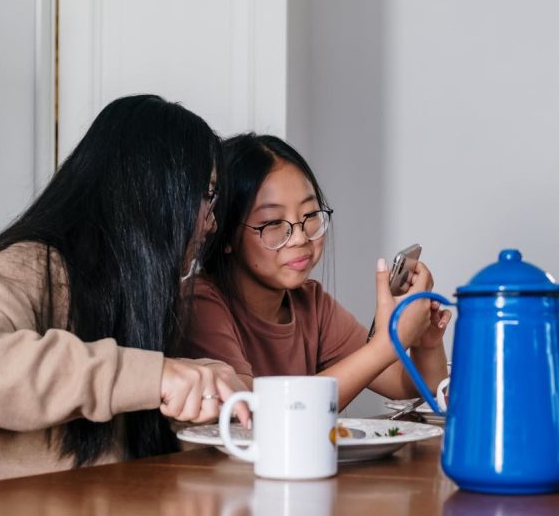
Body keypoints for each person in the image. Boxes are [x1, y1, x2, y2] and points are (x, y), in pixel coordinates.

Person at [0, 95, 249, 489]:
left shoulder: (132, 290)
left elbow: (109, 446)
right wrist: (151, 375)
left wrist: (195, 394)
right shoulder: (33, 264)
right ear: (152, 191)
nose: (210, 224)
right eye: (207, 196)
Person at [181, 133, 449, 409]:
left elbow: (412, 386)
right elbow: (253, 411)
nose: (300, 237)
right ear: (224, 233)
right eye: (273, 223)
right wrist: (386, 345)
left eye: (310, 215)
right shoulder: (201, 303)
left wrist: (426, 342)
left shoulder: (312, 303)